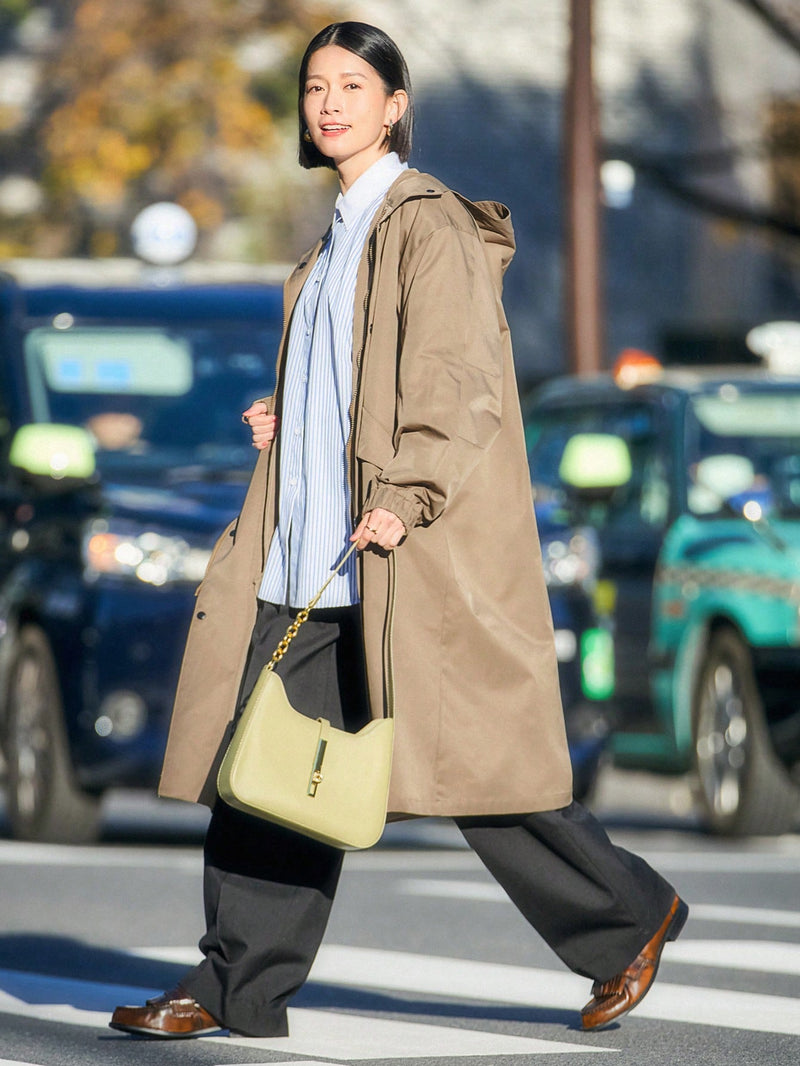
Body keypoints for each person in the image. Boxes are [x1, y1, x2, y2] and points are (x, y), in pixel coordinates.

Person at [110, 21, 687, 1041]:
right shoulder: (334, 236)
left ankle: (628, 914)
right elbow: (358, 382)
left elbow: (455, 382)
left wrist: (409, 490)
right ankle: (232, 983)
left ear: (395, 105)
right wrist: (288, 416)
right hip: (309, 552)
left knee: (473, 766)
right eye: (313, 87)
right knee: (264, 771)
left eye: (352, 85)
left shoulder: (426, 223)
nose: (328, 103)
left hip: (396, 552)